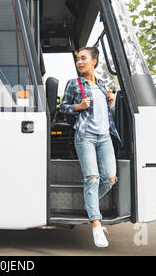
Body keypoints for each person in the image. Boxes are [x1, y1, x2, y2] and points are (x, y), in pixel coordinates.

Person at [59, 46, 120, 248]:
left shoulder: (103, 86)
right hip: (85, 136)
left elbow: (106, 112)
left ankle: (89, 203)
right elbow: (62, 107)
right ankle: (96, 223)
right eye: (78, 59)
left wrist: (111, 100)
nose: (80, 62)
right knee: (92, 178)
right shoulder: (74, 84)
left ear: (94, 61)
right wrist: (78, 107)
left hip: (104, 137)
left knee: (110, 178)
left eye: (83, 58)